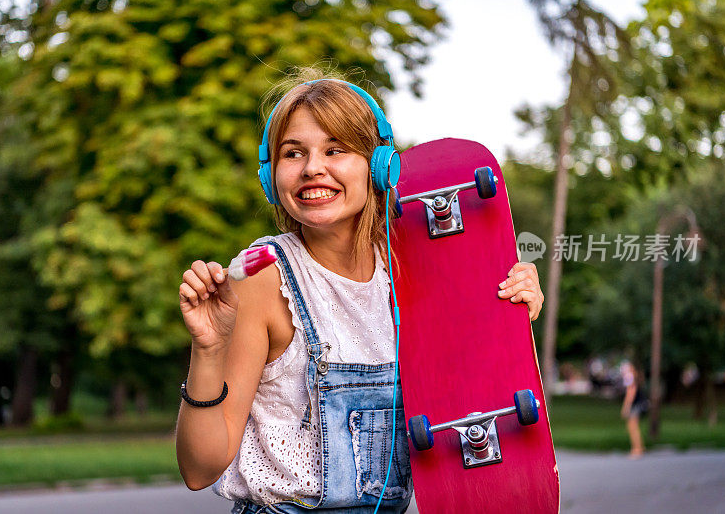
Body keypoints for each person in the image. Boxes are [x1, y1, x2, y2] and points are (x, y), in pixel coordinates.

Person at [174, 70, 545, 513]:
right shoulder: (264, 277)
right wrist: (208, 350)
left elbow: (473, 389)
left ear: (379, 165)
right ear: (272, 178)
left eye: (336, 149)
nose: (313, 168)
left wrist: (514, 312)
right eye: (294, 153)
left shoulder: (410, 271)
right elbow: (200, 469)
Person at [619, 360, 647, 459]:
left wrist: (626, 407)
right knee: (633, 426)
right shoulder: (636, 376)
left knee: (632, 427)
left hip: (635, 404)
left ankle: (637, 449)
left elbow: (631, 392)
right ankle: (639, 447)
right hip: (639, 403)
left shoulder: (629, 376)